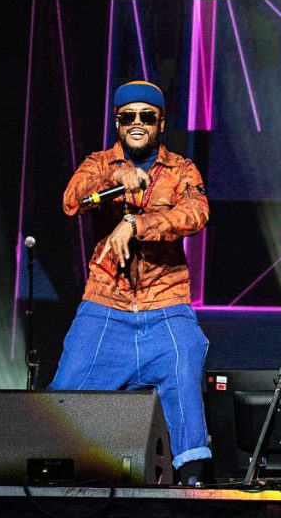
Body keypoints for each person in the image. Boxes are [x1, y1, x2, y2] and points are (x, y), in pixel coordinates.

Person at [52, 80, 211, 485]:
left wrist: (136, 223)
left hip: (166, 304)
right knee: (62, 399)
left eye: (147, 116)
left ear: (160, 122)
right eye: (128, 117)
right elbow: (72, 200)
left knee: (186, 356)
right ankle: (52, 477)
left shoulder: (181, 170)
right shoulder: (99, 163)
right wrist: (117, 179)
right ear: (118, 122)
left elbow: (196, 213)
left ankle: (192, 479)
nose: (137, 123)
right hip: (106, 304)